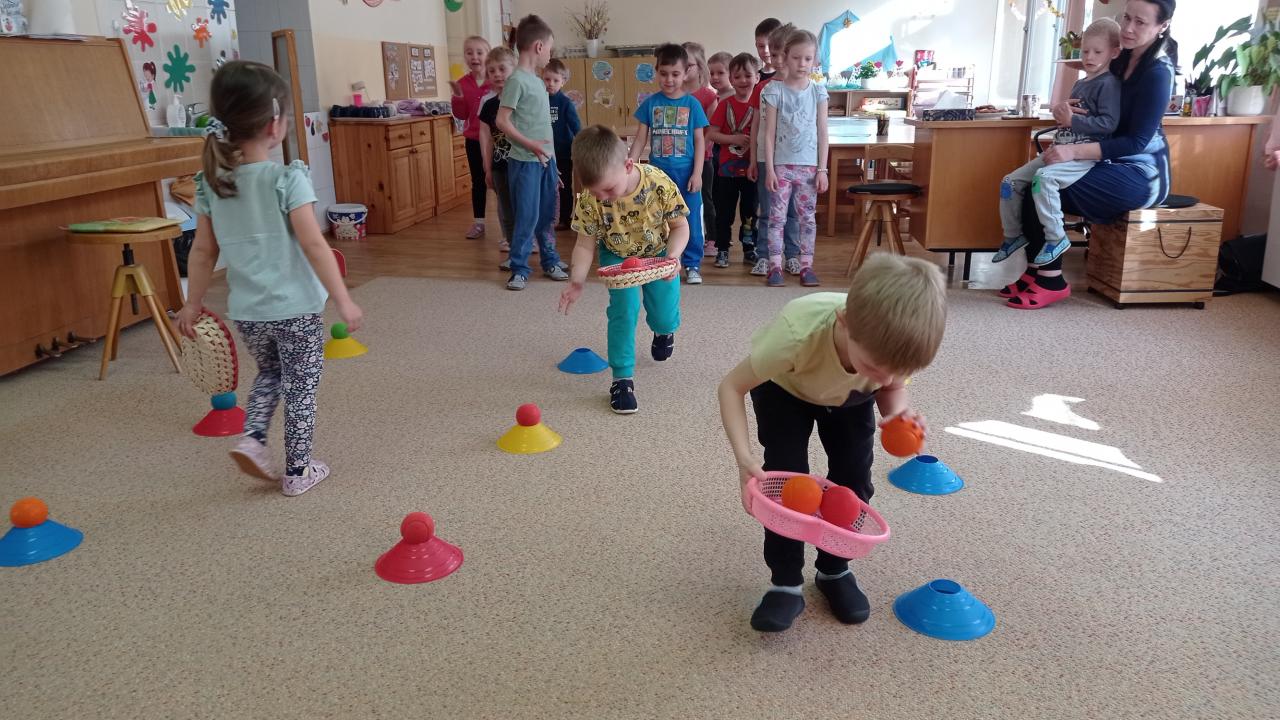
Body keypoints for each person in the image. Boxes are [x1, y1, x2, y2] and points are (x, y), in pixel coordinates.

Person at [717, 253, 947, 632]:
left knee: (854, 483)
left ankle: (834, 570)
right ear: (844, 323)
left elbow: (890, 387)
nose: (885, 377)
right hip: (785, 389)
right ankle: (785, 582)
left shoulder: (886, 353)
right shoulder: (795, 335)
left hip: (851, 398)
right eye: (875, 367)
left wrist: (897, 414)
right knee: (789, 486)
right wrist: (744, 459)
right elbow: (731, 387)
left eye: (895, 371)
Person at [178, 61, 364, 497]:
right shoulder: (287, 179)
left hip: (248, 312)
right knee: (301, 387)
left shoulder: (213, 184)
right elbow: (314, 244)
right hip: (296, 309)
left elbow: (202, 251)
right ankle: (298, 470)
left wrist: (192, 302)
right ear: (274, 124)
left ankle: (254, 438)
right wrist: (342, 298)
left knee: (270, 374)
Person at [1005, 0, 1178, 309]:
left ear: (1162, 26)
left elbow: (1136, 142)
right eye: (1126, 18)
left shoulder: (1158, 72)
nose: (1128, 28)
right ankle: (1034, 271)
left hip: (1142, 173)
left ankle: (1051, 280)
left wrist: (1073, 150)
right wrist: (1066, 111)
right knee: (1031, 182)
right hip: (1105, 160)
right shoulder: (1119, 57)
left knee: (1045, 184)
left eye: (1140, 22)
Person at [559, 126, 690, 415]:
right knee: (623, 311)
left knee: (664, 314)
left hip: (658, 253)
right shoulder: (591, 198)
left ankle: (664, 332)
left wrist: (673, 256)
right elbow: (584, 244)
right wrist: (577, 281)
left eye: (608, 189)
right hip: (616, 256)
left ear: (628, 165)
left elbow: (680, 226)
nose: (603, 197)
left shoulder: (658, 182)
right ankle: (622, 379)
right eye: (596, 192)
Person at [994, 18, 1122, 268]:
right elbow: (1068, 119)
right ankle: (1013, 235)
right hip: (1060, 147)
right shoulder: (1080, 83)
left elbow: (1109, 124)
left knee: (1043, 179)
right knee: (1010, 182)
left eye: (1097, 52)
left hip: (1083, 154)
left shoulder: (1109, 84)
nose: (1089, 57)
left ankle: (1056, 238)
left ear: (1114, 53)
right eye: (1085, 51)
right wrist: (1061, 113)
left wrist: (1073, 121)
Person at [495, 15, 570, 291]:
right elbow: (502, 121)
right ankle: (519, 268)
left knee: (547, 216)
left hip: (545, 163)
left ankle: (550, 261)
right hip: (525, 163)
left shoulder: (538, 82)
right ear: (539, 47)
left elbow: (542, 127)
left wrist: (552, 162)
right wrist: (531, 145)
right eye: (550, 48)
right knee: (527, 216)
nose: (550, 54)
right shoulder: (516, 81)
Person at [629, 43, 709, 285]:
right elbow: (640, 138)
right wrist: (630, 164)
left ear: (686, 73)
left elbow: (700, 141)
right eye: (663, 74)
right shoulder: (650, 103)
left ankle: (692, 264)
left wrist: (698, 173)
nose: (669, 79)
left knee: (691, 220)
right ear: (656, 72)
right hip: (657, 176)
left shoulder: (693, 104)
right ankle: (664, 261)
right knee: (657, 220)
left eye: (675, 74)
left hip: (687, 175)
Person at [761, 29, 828, 288]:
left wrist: (822, 169)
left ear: (814, 60)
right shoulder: (774, 90)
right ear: (785, 57)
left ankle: (806, 265)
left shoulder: (818, 92)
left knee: (807, 218)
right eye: (796, 58)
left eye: (808, 59)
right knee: (776, 217)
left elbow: (823, 133)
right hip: (782, 167)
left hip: (809, 168)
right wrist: (770, 169)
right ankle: (775, 265)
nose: (802, 64)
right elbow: (769, 134)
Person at [748, 22, 802, 277]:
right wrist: (753, 159)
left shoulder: (803, 88)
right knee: (768, 211)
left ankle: (792, 255)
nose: (776, 59)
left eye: (782, 53)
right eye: (774, 52)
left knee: (791, 211)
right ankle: (764, 256)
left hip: (794, 159)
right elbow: (756, 125)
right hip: (765, 159)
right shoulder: (764, 87)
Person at [707, 52, 761, 268]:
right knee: (724, 213)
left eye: (748, 76)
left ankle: (749, 248)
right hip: (726, 171)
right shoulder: (724, 104)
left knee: (750, 213)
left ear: (757, 77)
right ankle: (722, 249)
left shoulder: (762, 106)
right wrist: (734, 139)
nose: (743, 81)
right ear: (731, 79)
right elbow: (712, 134)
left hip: (752, 170)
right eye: (737, 77)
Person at [449, 36, 492, 240]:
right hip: (474, 140)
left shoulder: (497, 80)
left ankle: (509, 226)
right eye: (469, 52)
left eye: (479, 52)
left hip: (497, 140)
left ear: (488, 55)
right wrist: (457, 97)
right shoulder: (462, 83)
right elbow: (461, 115)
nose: (474, 57)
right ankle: (479, 223)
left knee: (502, 182)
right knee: (478, 181)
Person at [478, 47, 517, 256]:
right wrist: (487, 167)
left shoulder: (522, 101)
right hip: (500, 166)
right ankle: (509, 240)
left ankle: (527, 238)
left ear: (514, 69)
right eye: (492, 71)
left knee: (525, 204)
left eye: (502, 69)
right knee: (504, 204)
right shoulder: (489, 106)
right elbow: (486, 138)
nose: (497, 74)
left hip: (522, 164)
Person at [684, 41, 719, 261]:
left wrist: (700, 151)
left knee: (705, 198)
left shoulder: (708, 96)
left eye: (688, 65)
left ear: (699, 67)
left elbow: (711, 131)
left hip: (703, 159)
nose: (684, 70)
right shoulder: (675, 96)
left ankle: (712, 239)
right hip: (680, 159)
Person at [544, 58, 581, 231]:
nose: (551, 84)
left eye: (555, 80)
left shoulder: (565, 103)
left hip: (563, 153)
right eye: (547, 79)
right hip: (544, 152)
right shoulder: (540, 100)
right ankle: (547, 217)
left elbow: (576, 126)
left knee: (564, 186)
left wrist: (582, 145)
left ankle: (565, 219)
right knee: (546, 186)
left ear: (563, 81)